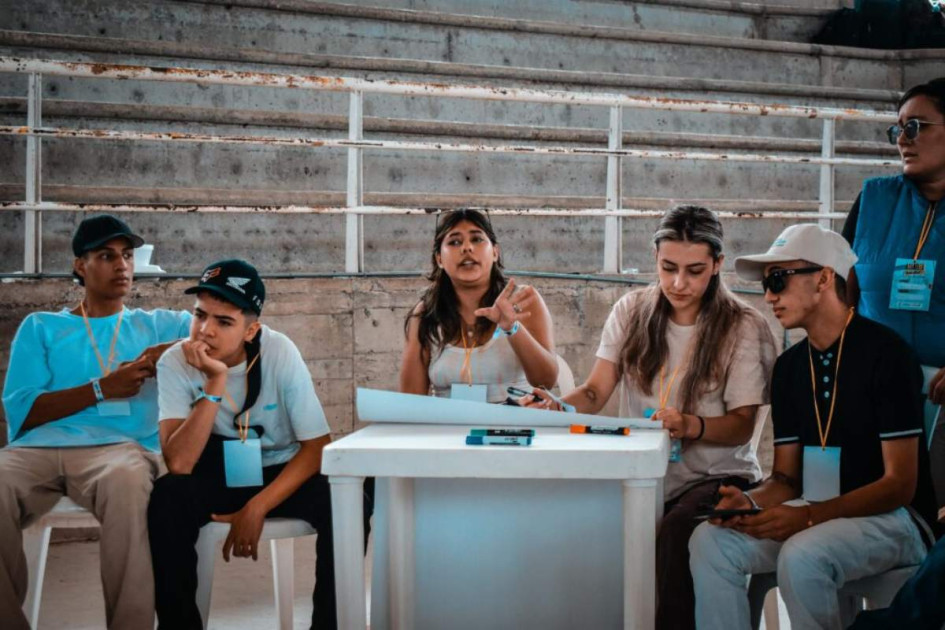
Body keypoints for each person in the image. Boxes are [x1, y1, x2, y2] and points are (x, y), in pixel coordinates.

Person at [530, 205, 776, 630]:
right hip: (641, 475)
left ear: (717, 265)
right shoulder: (632, 310)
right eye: (668, 268)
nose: (679, 283)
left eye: (695, 270)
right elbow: (594, 391)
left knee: (677, 534)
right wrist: (558, 408)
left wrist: (690, 425)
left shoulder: (743, 326)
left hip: (716, 477)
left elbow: (742, 426)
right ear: (655, 259)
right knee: (572, 522)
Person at [689, 223, 938, 630]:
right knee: (712, 543)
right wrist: (750, 504)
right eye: (768, 284)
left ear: (823, 278)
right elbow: (786, 479)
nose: (769, 294)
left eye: (779, 280)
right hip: (816, 512)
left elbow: (900, 485)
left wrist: (808, 518)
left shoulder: (887, 353)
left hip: (897, 519)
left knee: (803, 554)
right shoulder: (788, 368)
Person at [148, 259, 370, 630]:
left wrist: (257, 507)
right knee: (168, 497)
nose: (205, 331)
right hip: (212, 469)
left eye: (224, 322)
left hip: (279, 468)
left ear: (251, 330)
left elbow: (316, 447)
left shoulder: (280, 352)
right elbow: (180, 464)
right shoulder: (176, 362)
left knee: (346, 500)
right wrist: (214, 386)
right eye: (200, 315)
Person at [0, 214, 190, 629]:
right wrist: (102, 388)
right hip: (37, 449)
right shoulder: (43, 327)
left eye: (126, 255)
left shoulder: (160, 323)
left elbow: (228, 335)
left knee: (127, 482)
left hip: (120, 451)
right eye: (106, 256)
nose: (122, 265)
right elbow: (23, 410)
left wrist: (169, 351)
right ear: (79, 266)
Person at [842, 76, 945, 533]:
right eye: (899, 129)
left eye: (917, 126)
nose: (903, 140)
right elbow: (840, 293)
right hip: (877, 390)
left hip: (942, 398)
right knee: (869, 524)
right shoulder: (873, 199)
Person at [400, 209, 558, 402]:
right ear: (439, 259)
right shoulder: (426, 314)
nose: (467, 248)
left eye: (476, 239)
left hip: (515, 427)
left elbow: (546, 381)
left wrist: (511, 328)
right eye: (454, 242)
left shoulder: (523, 299)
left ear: (495, 252)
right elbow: (410, 402)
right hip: (448, 429)